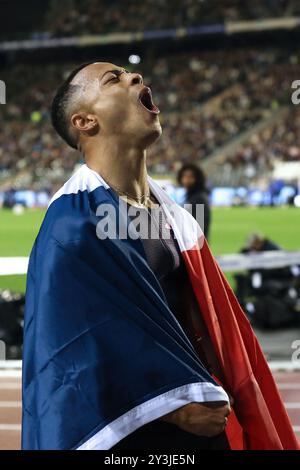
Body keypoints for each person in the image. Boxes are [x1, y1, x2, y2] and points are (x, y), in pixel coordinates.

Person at [22, 62, 299, 450]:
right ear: (84, 122)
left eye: (129, 73)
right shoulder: (70, 225)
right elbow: (68, 351)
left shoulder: (177, 219)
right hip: (130, 433)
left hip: (201, 420)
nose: (134, 77)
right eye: (113, 79)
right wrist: (174, 408)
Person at [177, 163, 211, 239]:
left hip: (196, 247)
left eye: (190, 177)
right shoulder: (190, 196)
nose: (186, 179)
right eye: (184, 176)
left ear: (197, 179)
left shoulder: (199, 199)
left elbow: (200, 229)